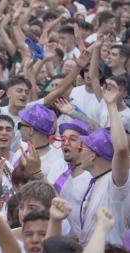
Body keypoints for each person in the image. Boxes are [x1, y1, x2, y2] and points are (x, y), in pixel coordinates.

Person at [78, 79, 130, 246]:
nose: (80, 151)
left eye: (83, 148)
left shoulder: (115, 183)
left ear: (93, 155)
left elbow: (121, 149)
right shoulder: (96, 179)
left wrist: (111, 106)